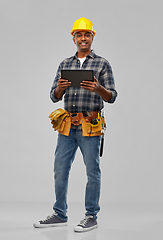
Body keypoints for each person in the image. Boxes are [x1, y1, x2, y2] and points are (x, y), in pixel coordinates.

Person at [33, 17, 117, 232]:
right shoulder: (65, 64)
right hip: (67, 125)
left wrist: (97, 88)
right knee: (60, 169)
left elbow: (112, 97)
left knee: (92, 172)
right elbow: (54, 96)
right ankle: (60, 214)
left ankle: (91, 216)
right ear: (73, 38)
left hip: (91, 125)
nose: (82, 38)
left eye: (86, 34)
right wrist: (61, 87)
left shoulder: (102, 64)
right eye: (78, 35)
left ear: (92, 37)